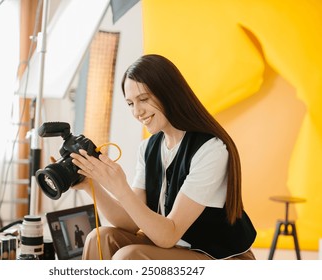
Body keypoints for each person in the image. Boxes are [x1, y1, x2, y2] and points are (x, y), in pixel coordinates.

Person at [70, 54, 256, 260]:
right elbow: (131, 223)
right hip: (176, 249)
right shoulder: (148, 148)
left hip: (218, 256)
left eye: (143, 99)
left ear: (169, 93)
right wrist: (90, 185)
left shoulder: (210, 149)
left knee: (129, 257)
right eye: (130, 103)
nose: (137, 112)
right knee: (100, 236)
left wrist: (119, 187)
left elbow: (168, 235)